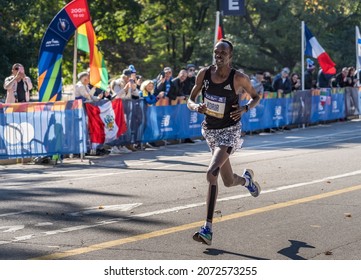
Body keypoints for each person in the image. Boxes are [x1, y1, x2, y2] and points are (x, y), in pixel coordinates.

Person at [187, 39, 261, 245]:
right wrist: (196, 107)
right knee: (228, 181)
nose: (218, 55)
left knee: (212, 173)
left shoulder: (238, 78)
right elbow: (189, 99)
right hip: (210, 131)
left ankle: (207, 229)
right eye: (216, 52)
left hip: (229, 131)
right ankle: (247, 181)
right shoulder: (204, 74)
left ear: (230, 56)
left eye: (223, 53)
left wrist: (245, 108)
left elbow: (256, 97)